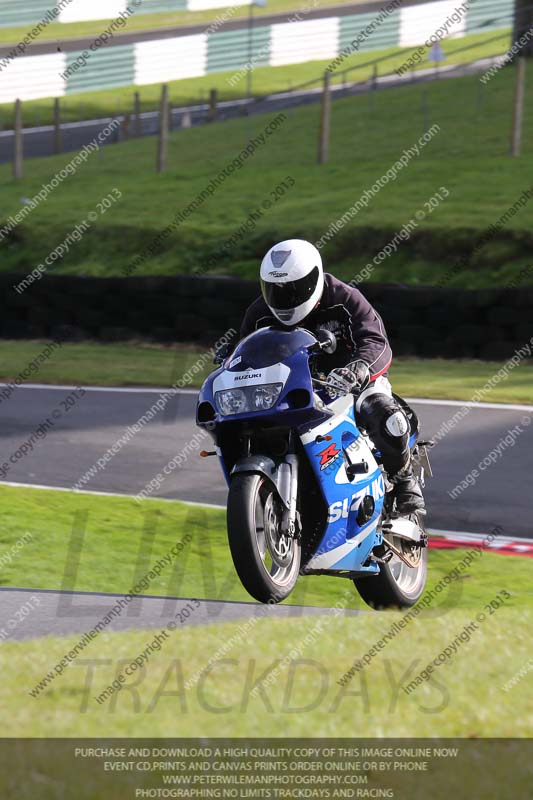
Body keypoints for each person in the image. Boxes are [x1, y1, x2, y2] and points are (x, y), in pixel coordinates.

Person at [239, 238, 425, 515]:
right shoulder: (259, 313)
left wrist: (360, 368)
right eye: (275, 290)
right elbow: (243, 353)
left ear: (314, 279)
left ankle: (404, 479)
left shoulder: (344, 298)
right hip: (293, 389)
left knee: (383, 411)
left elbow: (376, 340)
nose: (284, 298)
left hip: (350, 383)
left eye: (293, 289)